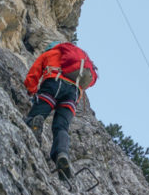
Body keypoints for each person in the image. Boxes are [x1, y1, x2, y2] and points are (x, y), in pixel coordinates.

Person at [24, 41, 97, 179]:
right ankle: (61, 154)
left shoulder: (51, 53)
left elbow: (35, 72)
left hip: (54, 83)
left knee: (40, 111)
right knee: (61, 127)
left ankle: (34, 124)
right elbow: (90, 82)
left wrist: (31, 89)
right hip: (73, 93)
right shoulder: (79, 62)